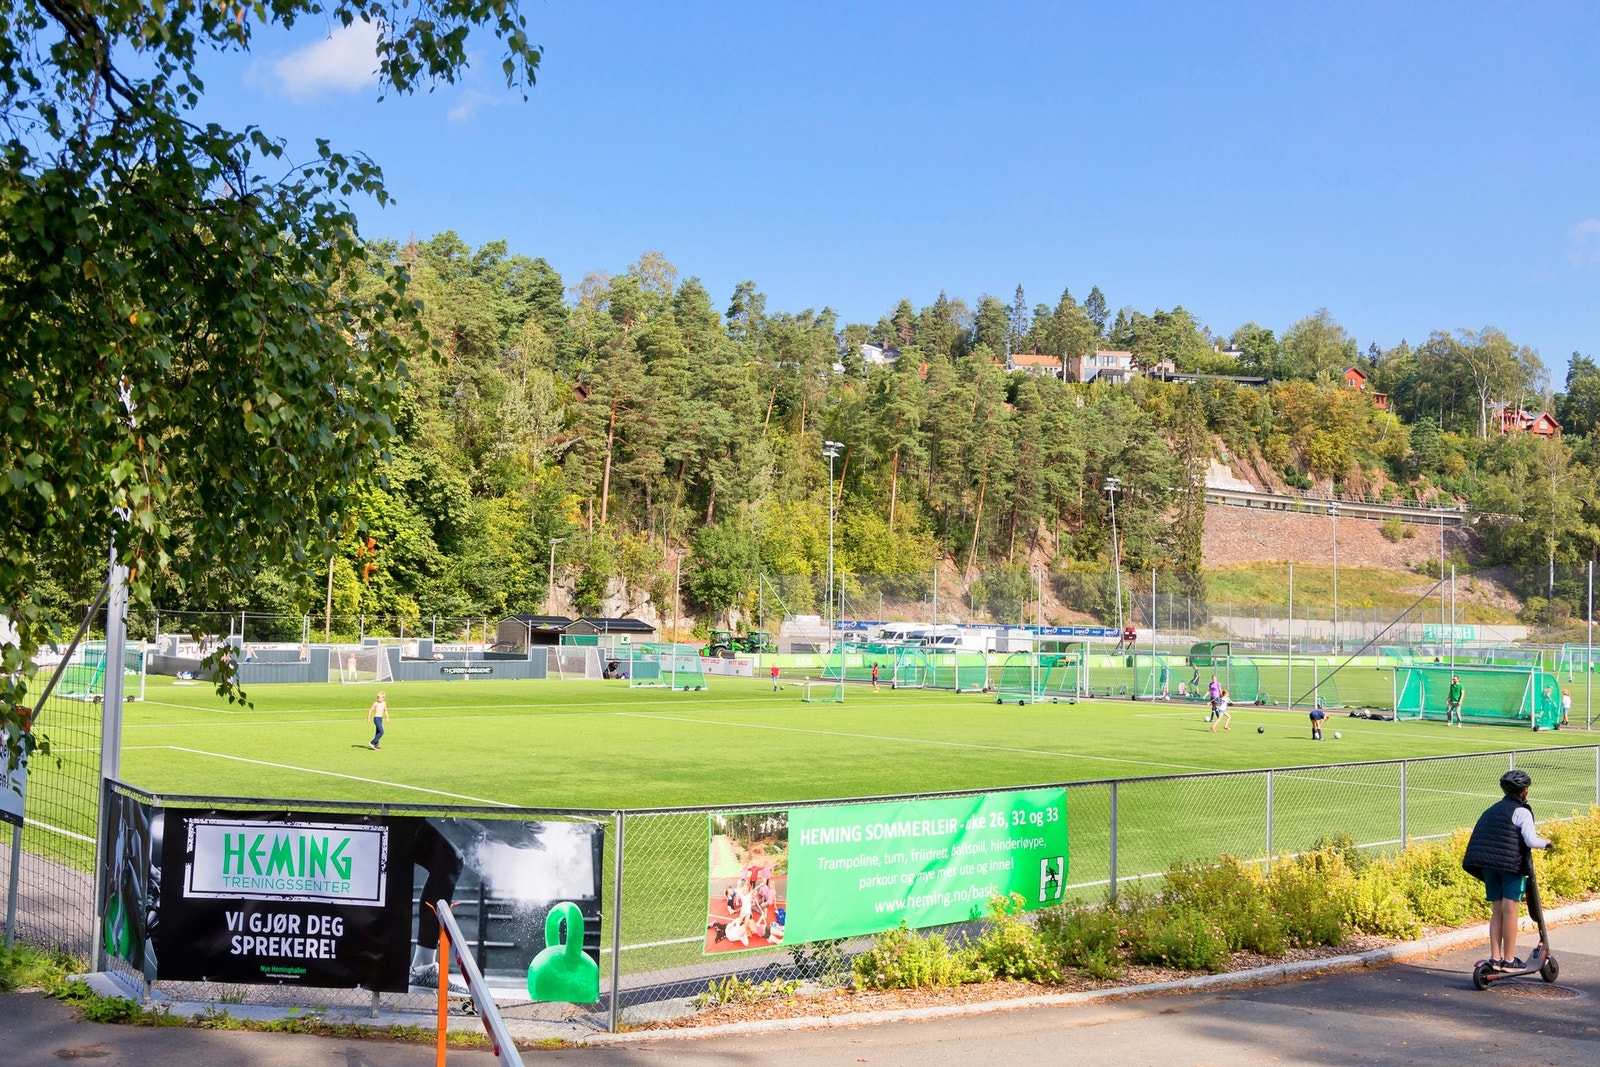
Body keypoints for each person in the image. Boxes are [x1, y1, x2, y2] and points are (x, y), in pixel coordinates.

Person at [1461, 769, 1551, 971]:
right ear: (1525, 791)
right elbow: (1530, 840)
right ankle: (1509, 960)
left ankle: (1495, 958)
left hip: (1489, 867)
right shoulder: (1522, 811)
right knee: (1510, 911)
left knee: (1497, 911)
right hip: (1510, 866)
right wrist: (1546, 842)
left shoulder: (1492, 809)